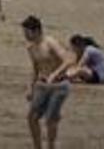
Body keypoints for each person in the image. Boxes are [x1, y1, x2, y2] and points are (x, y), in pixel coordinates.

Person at [23, 16, 76, 149]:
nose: (25, 35)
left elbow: (69, 60)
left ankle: (51, 146)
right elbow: (35, 69)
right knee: (32, 117)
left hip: (59, 85)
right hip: (42, 85)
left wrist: (55, 74)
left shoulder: (50, 42)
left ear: (36, 31)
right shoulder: (31, 47)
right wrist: (30, 87)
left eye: (27, 32)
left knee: (51, 119)